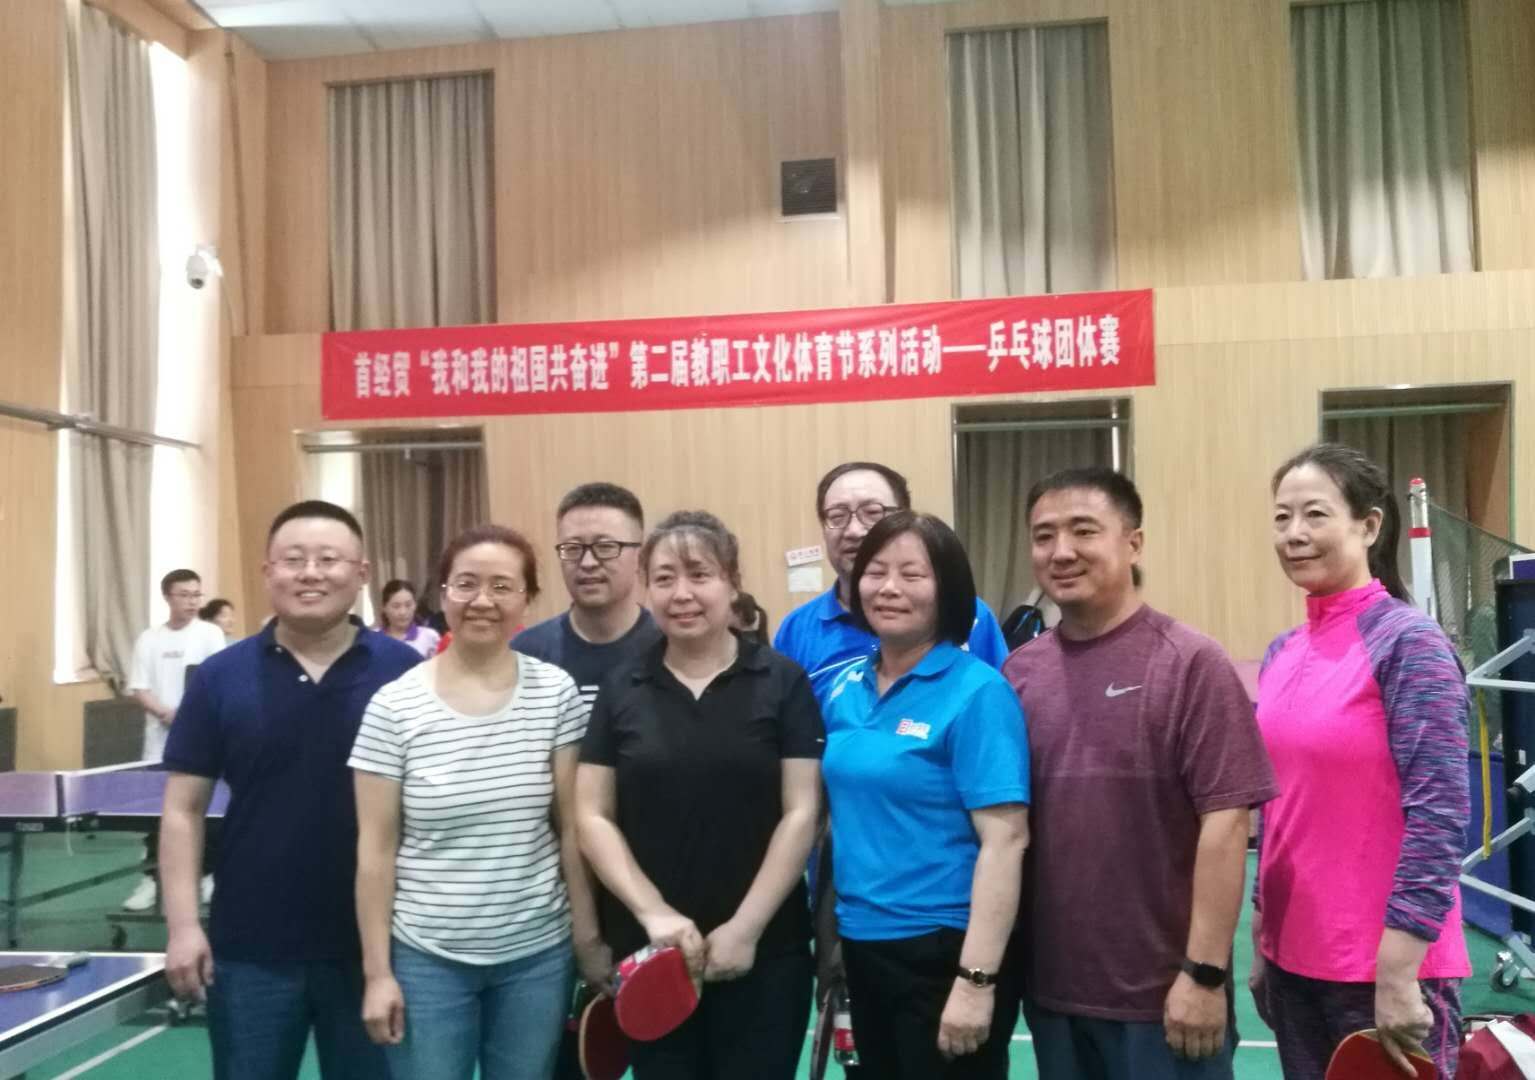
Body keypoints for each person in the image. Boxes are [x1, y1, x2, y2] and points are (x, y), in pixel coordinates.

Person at [1003, 467, 1277, 1080]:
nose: (1061, 551)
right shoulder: (1019, 674)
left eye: (1083, 531)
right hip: (1053, 997)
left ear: (1134, 543)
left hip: (1166, 999)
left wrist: (1203, 974)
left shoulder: (1191, 663)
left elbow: (1227, 825)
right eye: (1044, 536)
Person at [160, 500, 421, 1080]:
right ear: (267, 571)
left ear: (362, 573)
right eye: (293, 559)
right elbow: (182, 809)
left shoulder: (406, 672)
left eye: (329, 559)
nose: (310, 573)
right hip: (250, 946)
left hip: (379, 949)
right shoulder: (220, 676)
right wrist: (183, 925)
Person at [575, 511, 822, 1079]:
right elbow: (591, 814)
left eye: (699, 574)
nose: (681, 593)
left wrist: (746, 927)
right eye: (664, 578)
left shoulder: (782, 681)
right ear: (645, 589)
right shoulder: (622, 686)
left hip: (767, 952)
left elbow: (802, 811)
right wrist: (652, 911)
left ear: (732, 583)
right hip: (651, 952)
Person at [352, 525, 605, 1079]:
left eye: (502, 586)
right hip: (425, 958)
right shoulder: (393, 707)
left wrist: (586, 937)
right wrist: (377, 973)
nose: (482, 600)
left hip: (538, 955)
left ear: (527, 599)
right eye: (466, 584)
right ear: (443, 594)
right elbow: (375, 850)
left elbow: (571, 827)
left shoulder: (556, 693)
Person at [1252, 444, 1470, 1079]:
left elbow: (1441, 815)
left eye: (1315, 514)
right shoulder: (1282, 653)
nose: (1294, 534)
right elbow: (1278, 807)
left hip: (1385, 971)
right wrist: (1265, 936)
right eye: (1282, 517)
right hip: (1294, 963)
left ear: (1369, 526)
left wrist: (1399, 972)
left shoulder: (1409, 644)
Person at [820, 511, 1030, 1079]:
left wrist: (976, 981)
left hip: (944, 949)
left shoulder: (978, 692)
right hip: (863, 942)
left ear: (948, 590)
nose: (889, 588)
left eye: (912, 574)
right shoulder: (844, 688)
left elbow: (1006, 841)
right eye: (876, 572)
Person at [774, 461, 1007, 700]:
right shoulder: (796, 630)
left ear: (904, 520)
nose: (853, 531)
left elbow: (997, 701)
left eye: (872, 513)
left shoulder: (969, 615)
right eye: (837, 516)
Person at [123, 569, 227, 912]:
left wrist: (190, 717)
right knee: (154, 816)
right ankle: (151, 881)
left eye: (197, 595)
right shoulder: (148, 639)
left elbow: (217, 681)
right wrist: (165, 713)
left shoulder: (210, 634)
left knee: (207, 811)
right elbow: (139, 687)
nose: (192, 601)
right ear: (167, 597)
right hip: (158, 745)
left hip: (203, 741)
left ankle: (209, 875)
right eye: (184, 595)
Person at [514, 482, 662, 709]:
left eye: (605, 547)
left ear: (640, 557)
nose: (588, 563)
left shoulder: (670, 648)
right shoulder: (525, 654)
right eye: (572, 548)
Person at [377, 579, 442, 659]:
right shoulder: (373, 639)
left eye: (408, 605)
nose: (403, 612)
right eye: (396, 606)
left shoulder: (429, 636)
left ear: (415, 605)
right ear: (384, 607)